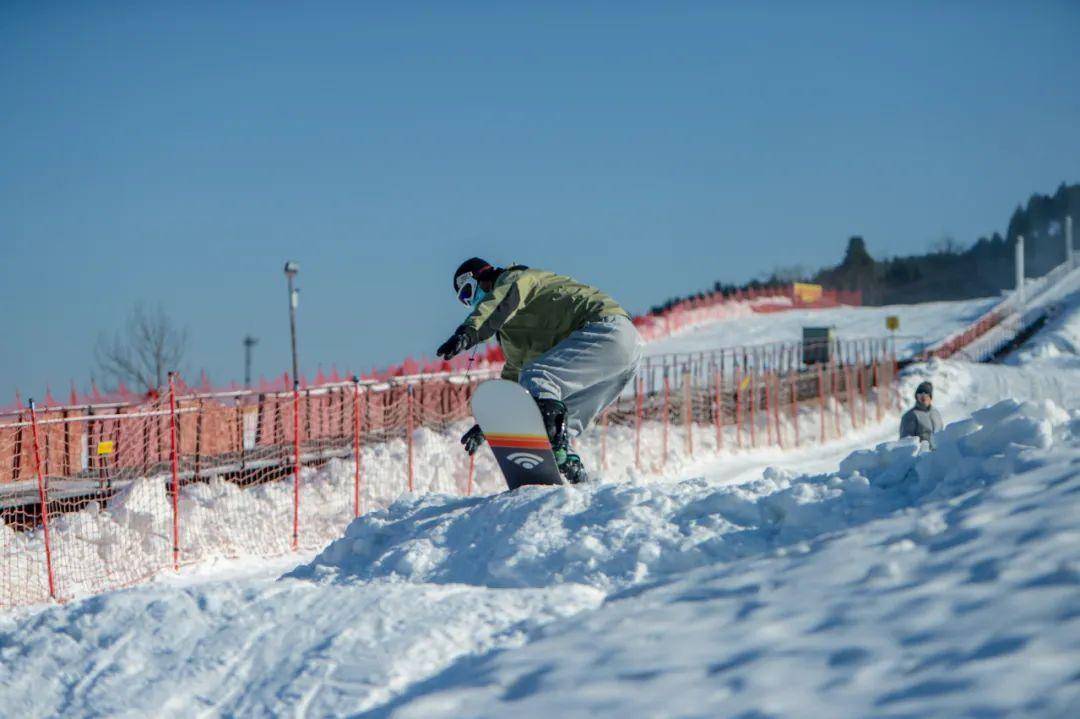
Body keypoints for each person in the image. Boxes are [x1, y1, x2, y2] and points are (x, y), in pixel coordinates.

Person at [436, 258, 644, 483]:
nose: (471, 303)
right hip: (624, 356)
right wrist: (492, 422)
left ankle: (554, 446)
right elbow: (516, 373)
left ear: (481, 278)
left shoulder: (515, 280)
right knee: (566, 415)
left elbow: (497, 305)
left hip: (606, 329)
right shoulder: (511, 332)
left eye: (468, 294)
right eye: (465, 302)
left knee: (539, 377)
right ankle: (570, 468)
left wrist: (468, 333)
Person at [900, 381, 943, 449]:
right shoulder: (910, 415)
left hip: (937, 454)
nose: (923, 395)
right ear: (916, 396)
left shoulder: (936, 413)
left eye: (926, 393)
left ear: (930, 397)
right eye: (920, 393)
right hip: (921, 457)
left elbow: (941, 434)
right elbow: (905, 441)